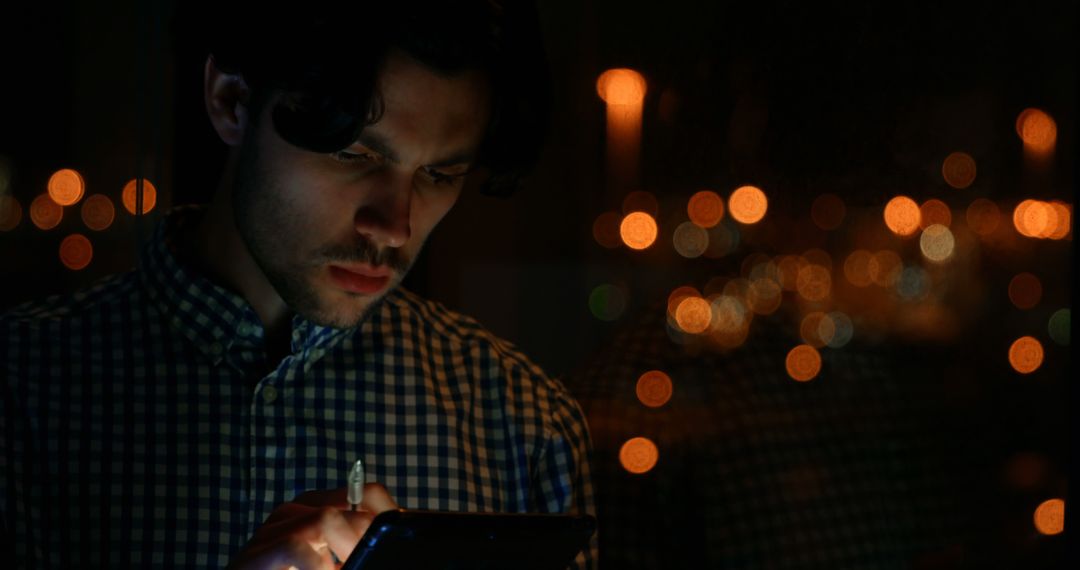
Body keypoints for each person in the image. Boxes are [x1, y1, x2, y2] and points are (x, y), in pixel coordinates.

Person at [0, 3, 597, 568]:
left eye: (440, 173)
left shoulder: (522, 424)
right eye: (354, 153)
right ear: (231, 101)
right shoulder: (23, 388)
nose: (395, 226)